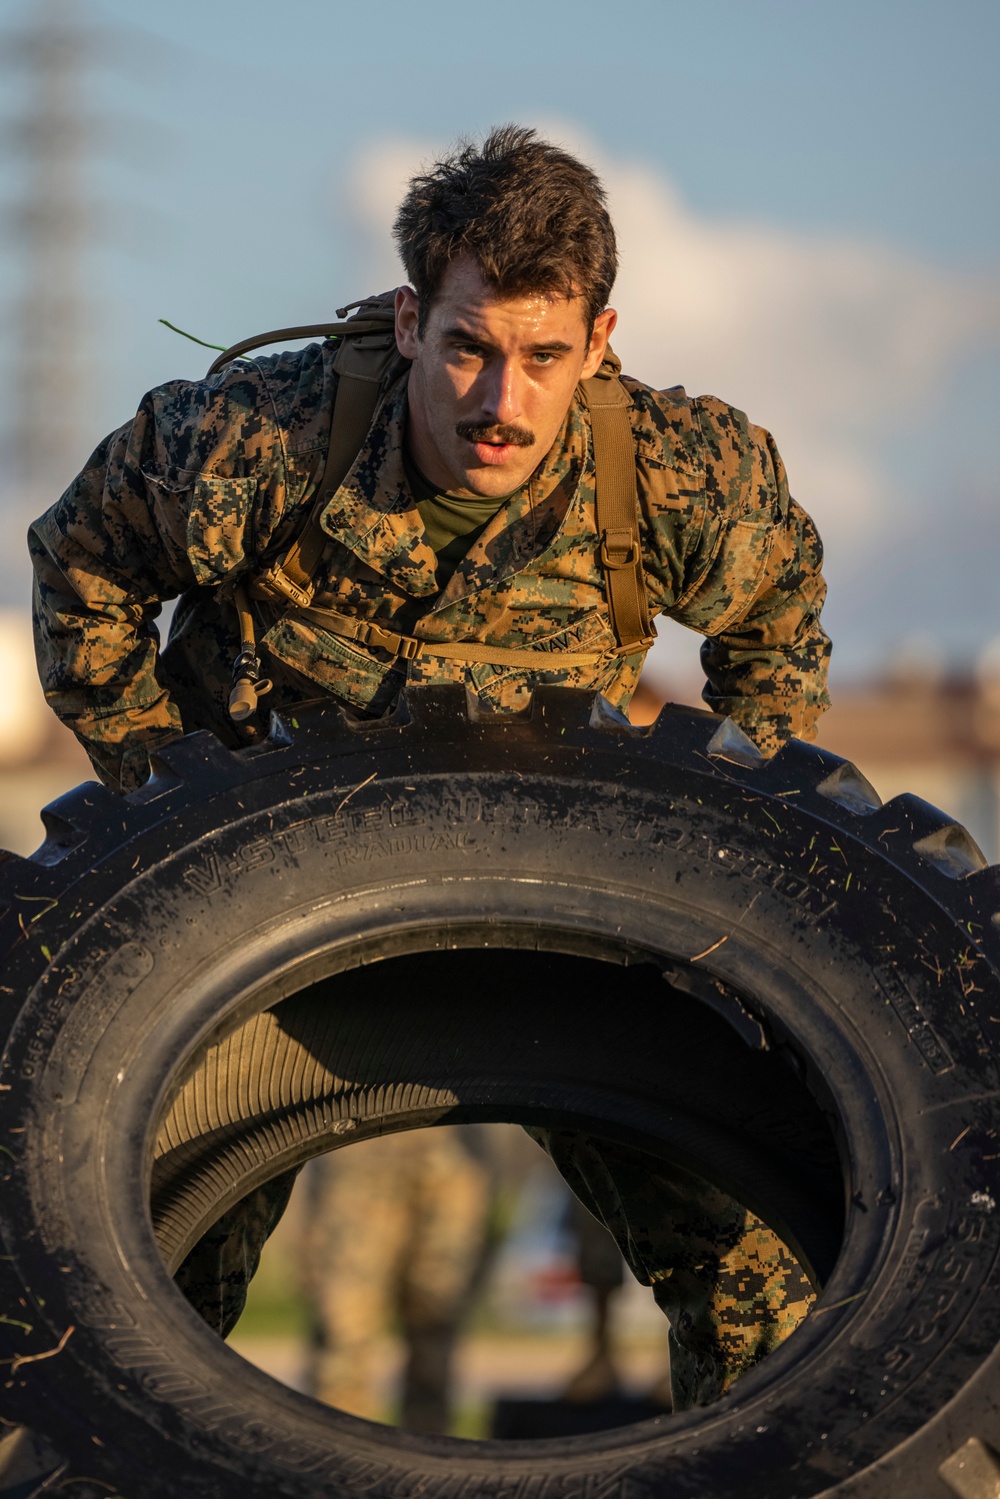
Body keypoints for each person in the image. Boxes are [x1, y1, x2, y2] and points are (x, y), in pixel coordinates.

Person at [29, 125, 829, 1411]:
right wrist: (158, 800)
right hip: (260, 920)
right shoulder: (256, 439)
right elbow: (81, 559)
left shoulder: (678, 478)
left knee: (764, 1278)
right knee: (122, 1295)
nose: (498, 400)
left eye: (542, 357)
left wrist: (725, 847)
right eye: (466, 345)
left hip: (557, 909)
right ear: (409, 321)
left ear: (600, 341)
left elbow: (780, 608)